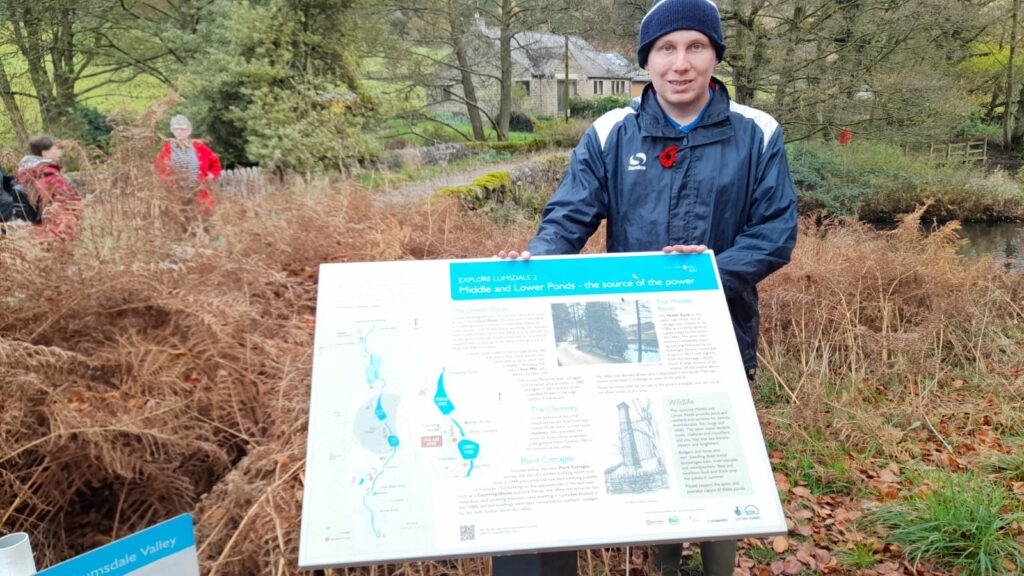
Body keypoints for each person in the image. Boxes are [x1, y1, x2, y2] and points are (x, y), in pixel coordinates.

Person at [494, 0, 798, 574]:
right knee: (652, 448)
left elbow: (775, 233)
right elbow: (567, 219)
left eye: (695, 47)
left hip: (720, 330)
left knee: (712, 461)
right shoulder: (611, 132)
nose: (680, 64)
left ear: (714, 56)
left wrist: (710, 272)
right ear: (647, 59)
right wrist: (531, 265)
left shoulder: (757, 133)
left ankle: (716, 569)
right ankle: (663, 564)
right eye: (666, 49)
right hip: (633, 338)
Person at [154, 114, 222, 217]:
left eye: (183, 129)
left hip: (199, 192)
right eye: (176, 129)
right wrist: (167, 183)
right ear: (172, 131)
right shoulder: (167, 149)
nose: (179, 132)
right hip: (176, 194)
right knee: (180, 222)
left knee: (202, 221)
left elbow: (215, 163)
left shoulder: (199, 146)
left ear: (189, 131)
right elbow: (158, 169)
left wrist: (211, 175)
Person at [15, 136, 81, 240]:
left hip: (37, 228)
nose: (61, 152)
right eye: (57, 148)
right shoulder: (48, 174)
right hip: (57, 227)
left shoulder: (26, 172)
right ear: (44, 152)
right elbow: (70, 200)